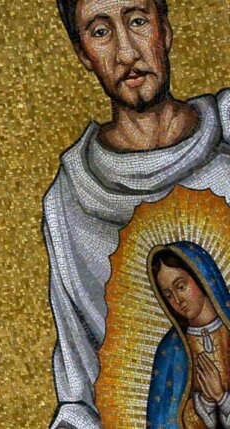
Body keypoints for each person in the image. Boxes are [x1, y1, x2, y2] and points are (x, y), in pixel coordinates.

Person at [45, 0, 230, 427]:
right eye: (100, 31)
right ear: (82, 53)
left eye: (138, 21)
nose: (126, 52)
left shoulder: (226, 141)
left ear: (165, 29)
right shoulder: (69, 201)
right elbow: (79, 392)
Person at [147, 243, 230, 429]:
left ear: (202, 278)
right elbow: (164, 418)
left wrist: (222, 398)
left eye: (181, 286)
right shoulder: (171, 349)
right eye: (168, 295)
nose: (178, 300)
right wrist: (206, 402)